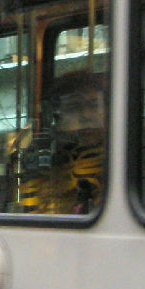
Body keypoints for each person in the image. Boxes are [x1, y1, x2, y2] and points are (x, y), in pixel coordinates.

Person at [18, 71, 106, 215]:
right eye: (75, 108)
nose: (86, 115)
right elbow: (33, 213)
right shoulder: (42, 157)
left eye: (93, 105)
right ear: (57, 116)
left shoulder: (121, 152)